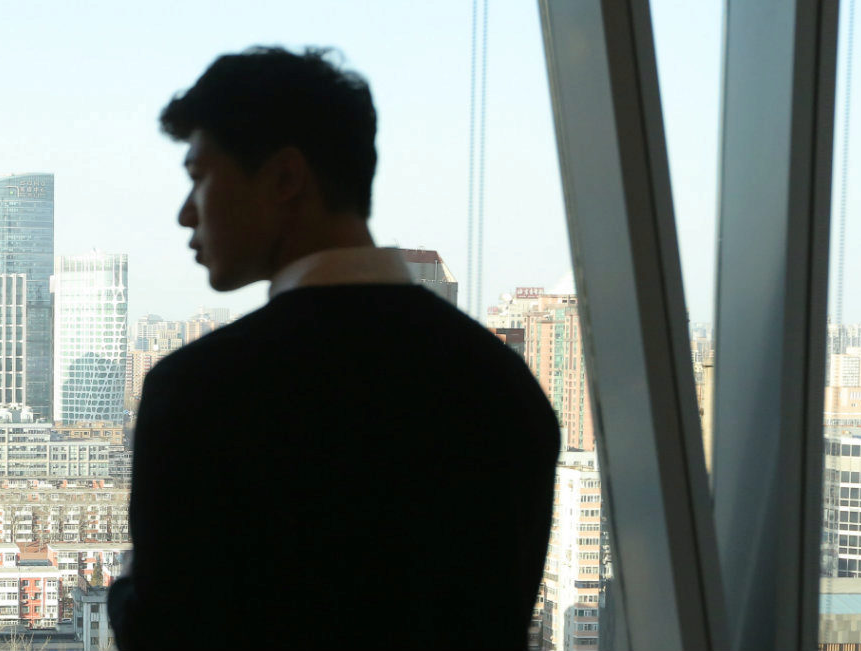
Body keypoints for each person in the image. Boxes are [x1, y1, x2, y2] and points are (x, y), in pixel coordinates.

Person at [108, 47, 560, 650]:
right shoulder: (505, 386)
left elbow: (164, 632)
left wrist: (127, 587)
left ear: (286, 179)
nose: (185, 213)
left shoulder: (203, 392)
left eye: (199, 176)